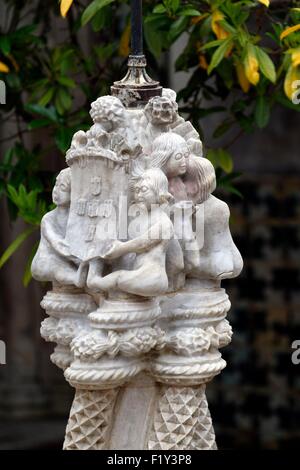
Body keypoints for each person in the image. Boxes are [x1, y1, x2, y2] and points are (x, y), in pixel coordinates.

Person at [86, 169, 183, 297]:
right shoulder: (144, 218)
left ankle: (93, 281)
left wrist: (119, 248)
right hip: (142, 273)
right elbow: (177, 263)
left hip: (152, 277)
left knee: (118, 278)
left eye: (144, 190)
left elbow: (143, 244)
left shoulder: (163, 221)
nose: (138, 195)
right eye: (137, 191)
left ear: (159, 192)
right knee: (120, 277)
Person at [31, 168, 87, 287]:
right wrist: (79, 259)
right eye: (56, 185)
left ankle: (79, 276)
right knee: (56, 267)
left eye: (62, 188)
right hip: (45, 261)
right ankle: (75, 279)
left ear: (75, 193)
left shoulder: (80, 218)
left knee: (66, 268)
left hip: (71, 263)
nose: (55, 191)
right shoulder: (48, 219)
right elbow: (58, 244)